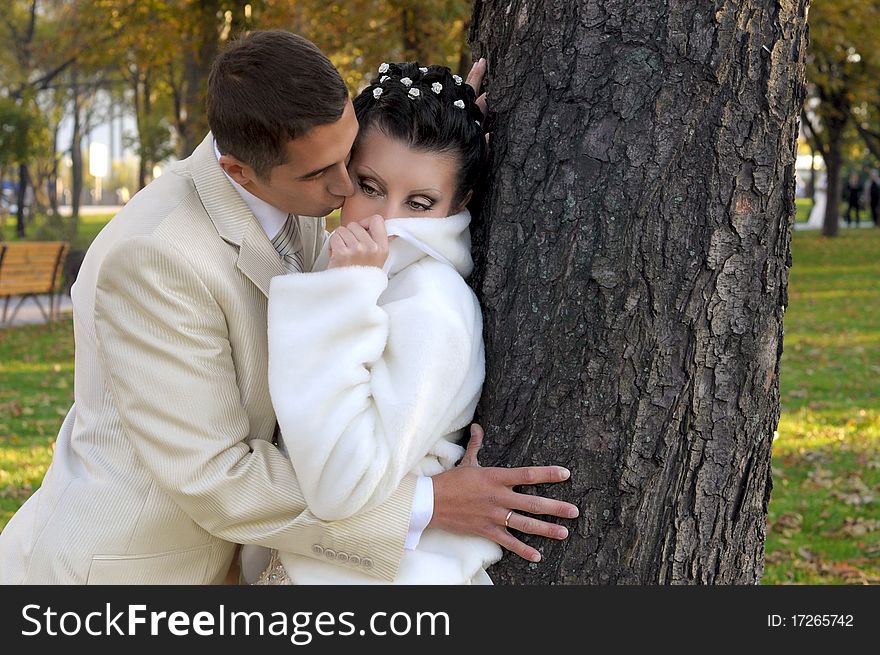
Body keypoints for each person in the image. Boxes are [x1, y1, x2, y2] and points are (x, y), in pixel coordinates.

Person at [0, 30, 577, 585]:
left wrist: (447, 131)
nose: (346, 186)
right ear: (241, 172)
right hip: (132, 571)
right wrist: (426, 504)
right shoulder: (156, 260)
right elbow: (215, 478)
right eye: (327, 173)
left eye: (350, 154)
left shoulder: (295, 161)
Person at [257, 62, 502, 584]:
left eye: (420, 202)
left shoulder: (431, 305)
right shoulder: (367, 269)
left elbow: (341, 486)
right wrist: (443, 114)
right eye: (369, 186)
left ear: (462, 202)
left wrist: (346, 298)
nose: (385, 222)